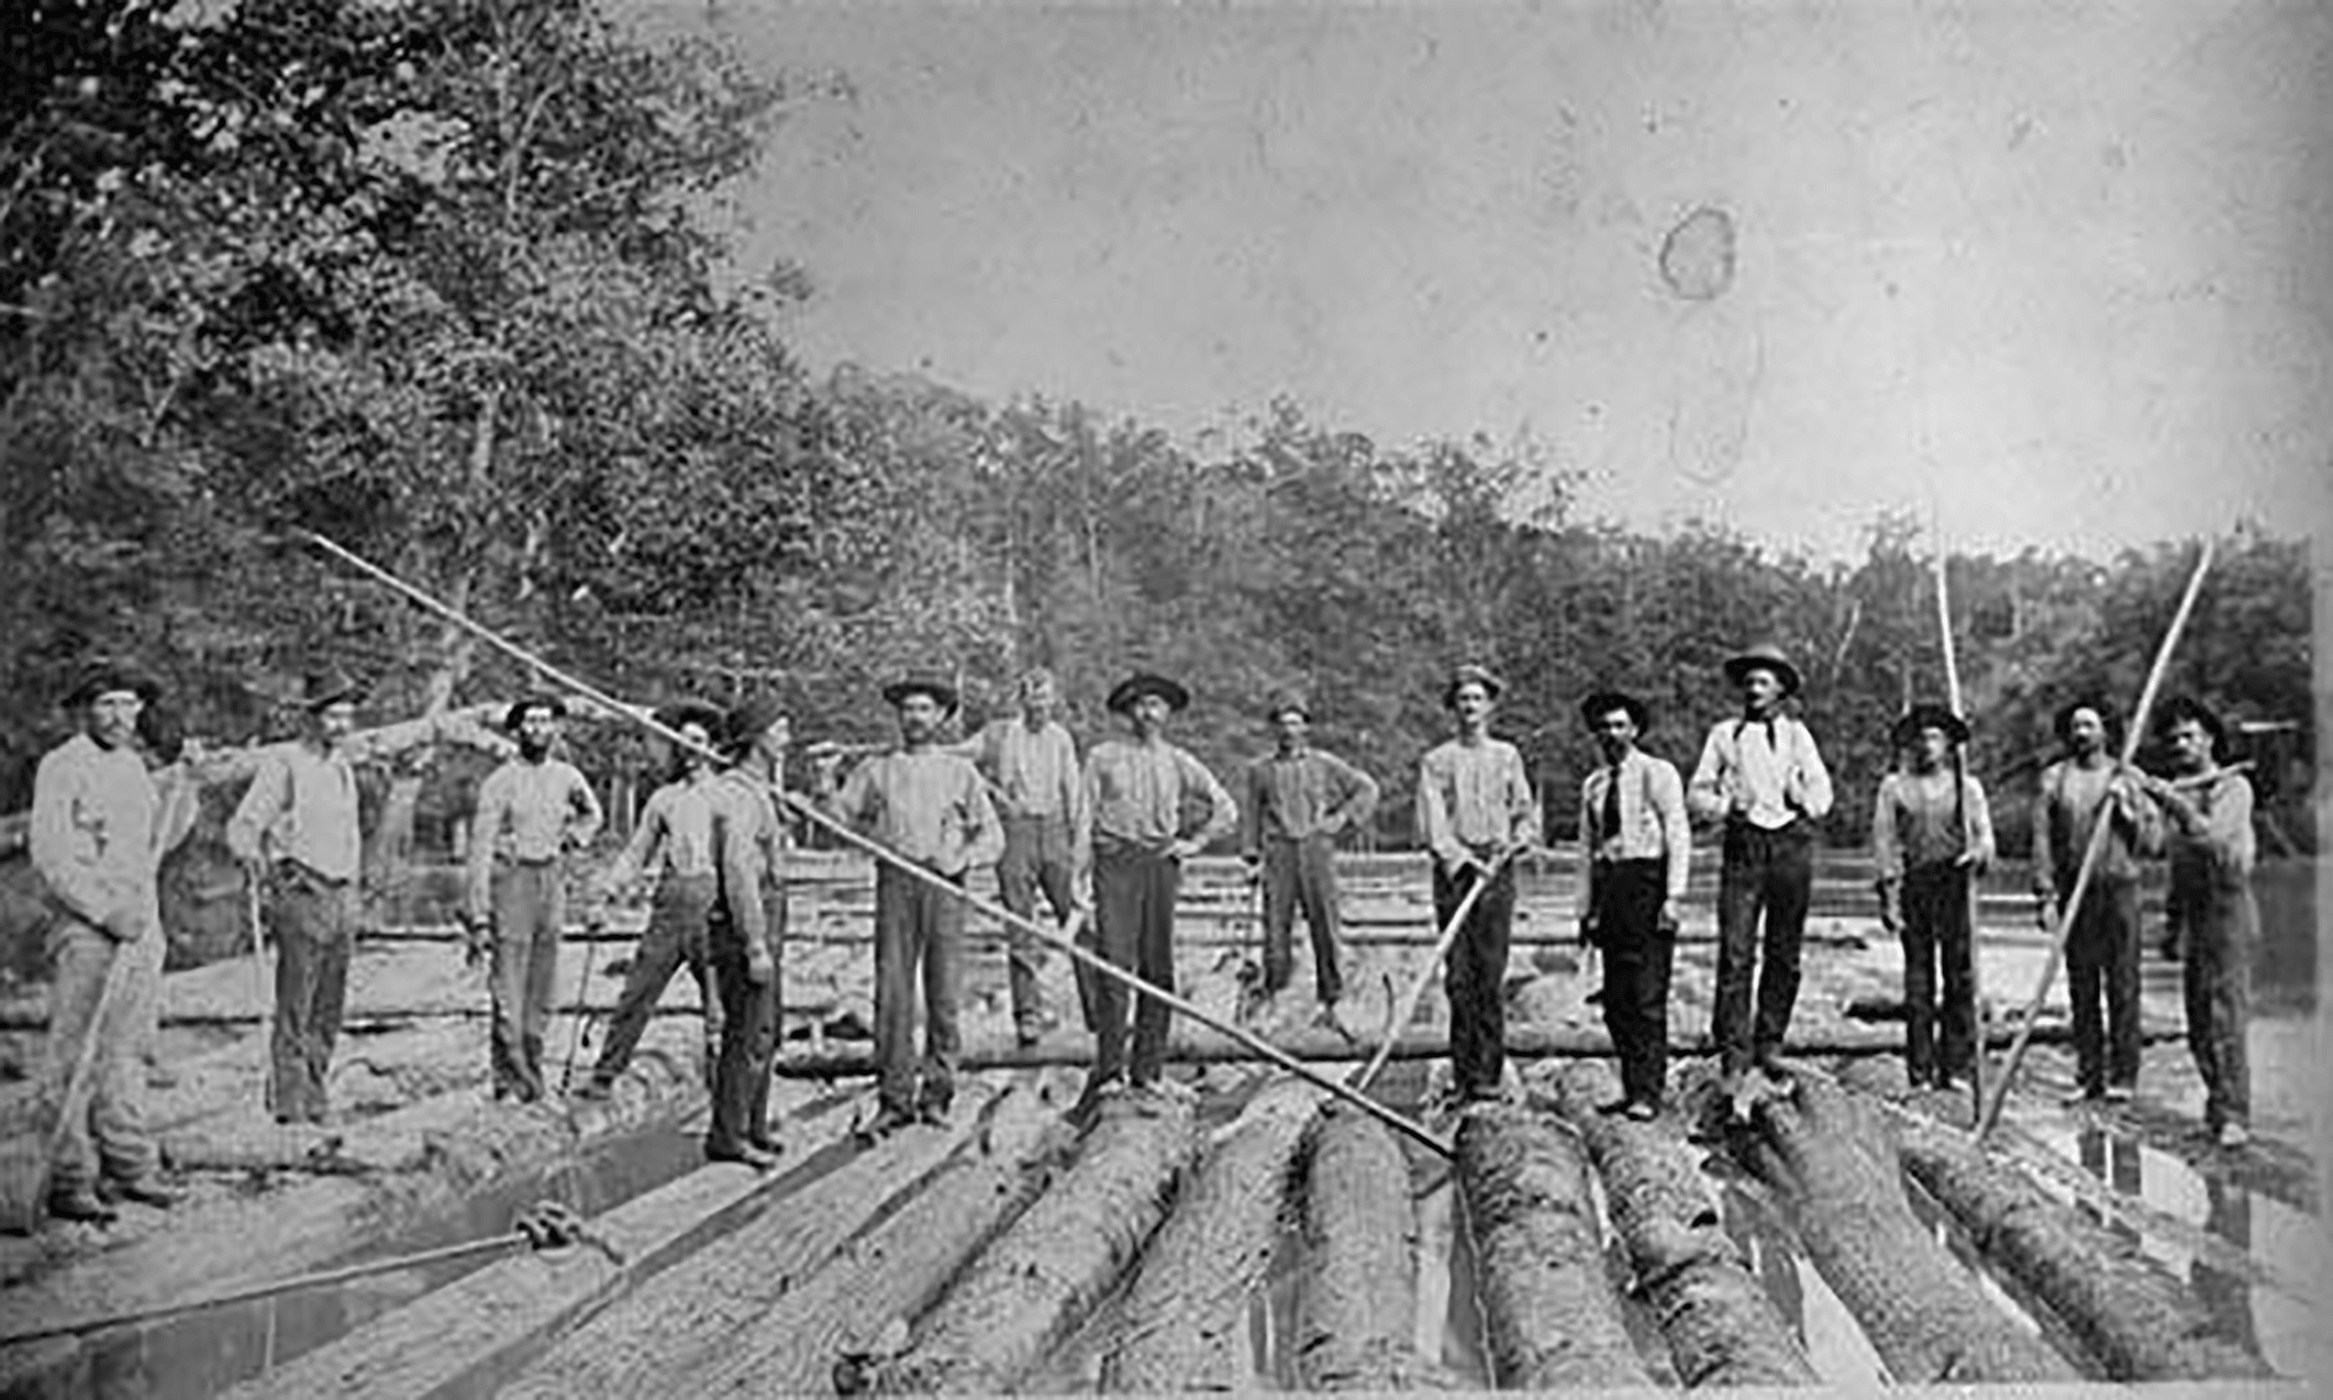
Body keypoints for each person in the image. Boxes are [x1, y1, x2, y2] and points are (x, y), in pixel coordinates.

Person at [27, 661, 185, 1222]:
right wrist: (102, 911)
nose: (122, 716)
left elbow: (158, 841)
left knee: (129, 1049)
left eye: (130, 704)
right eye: (109, 705)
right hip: (88, 929)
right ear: (86, 709)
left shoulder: (132, 766)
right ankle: (69, 1177)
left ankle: (130, 1164)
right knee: (76, 1053)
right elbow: (50, 856)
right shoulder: (62, 766)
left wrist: (182, 785)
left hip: (141, 926)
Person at [818, 675, 1003, 1137]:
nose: (914, 717)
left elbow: (993, 836)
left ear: (940, 717)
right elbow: (840, 822)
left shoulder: (960, 772)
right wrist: (825, 783)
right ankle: (895, 1098)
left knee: (942, 994)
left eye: (924, 709)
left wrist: (961, 857)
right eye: (908, 709)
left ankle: (938, 1093)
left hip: (943, 886)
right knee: (893, 993)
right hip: (896, 883)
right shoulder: (877, 769)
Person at [1072, 671, 1238, 1115]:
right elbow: (1083, 817)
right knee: (1113, 966)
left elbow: (1225, 808)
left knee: (1157, 967)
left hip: (1160, 866)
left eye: (1157, 706)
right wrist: (1078, 877)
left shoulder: (1178, 761)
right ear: (1129, 712)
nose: (1149, 713)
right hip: (1114, 865)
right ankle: (1109, 1072)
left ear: (1167, 715)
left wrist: (1194, 842)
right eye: (1141, 705)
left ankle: (1149, 1071)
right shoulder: (1103, 757)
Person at [1687, 643, 1834, 1119]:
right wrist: (1726, 806)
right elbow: (1697, 792)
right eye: (1749, 680)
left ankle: (1769, 1044)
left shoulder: (1798, 735)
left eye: (1764, 681)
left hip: (1790, 847)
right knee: (1735, 954)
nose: (1754, 688)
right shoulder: (1724, 735)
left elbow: (1822, 793)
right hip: (1744, 848)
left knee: (1784, 954)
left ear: (1781, 691)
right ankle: (1733, 1056)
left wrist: (1799, 794)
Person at [226, 669, 371, 1125]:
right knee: (297, 1001)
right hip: (303, 889)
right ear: (311, 718)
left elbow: (348, 835)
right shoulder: (285, 762)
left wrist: (354, 892)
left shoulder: (341, 765)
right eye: (332, 716)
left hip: (342, 895)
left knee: (330, 1003)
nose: (341, 725)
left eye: (347, 716)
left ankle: (315, 1090)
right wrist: (256, 859)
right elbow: (244, 824)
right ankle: (289, 1103)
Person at [575, 700, 729, 1099]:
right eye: (683, 741)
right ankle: (605, 1075)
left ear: (712, 746)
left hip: (714, 903)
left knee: (717, 1004)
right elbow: (636, 853)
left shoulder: (729, 795)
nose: (690, 748)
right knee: (637, 990)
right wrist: (607, 895)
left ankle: (723, 1097)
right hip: (671, 904)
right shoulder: (664, 798)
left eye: (698, 741)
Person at [465, 695, 603, 1103]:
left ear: (556, 729)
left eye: (546, 722)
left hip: (551, 881)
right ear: (517, 730)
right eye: (530, 723)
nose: (539, 730)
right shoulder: (500, 781)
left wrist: (573, 838)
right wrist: (478, 913)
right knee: (509, 983)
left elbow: (592, 814)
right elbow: (479, 848)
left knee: (542, 985)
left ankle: (534, 1071)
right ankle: (508, 1078)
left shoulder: (567, 776)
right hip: (513, 882)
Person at [1415, 663, 1539, 1106]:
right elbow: (1433, 824)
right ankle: (1464, 1074)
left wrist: (1520, 837)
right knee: (1460, 978)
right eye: (1463, 699)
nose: (1470, 706)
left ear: (1489, 706)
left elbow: (1524, 810)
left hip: (1499, 869)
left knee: (1490, 972)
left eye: (1477, 699)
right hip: (1457, 875)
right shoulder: (1437, 761)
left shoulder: (1507, 756)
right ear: (1454, 708)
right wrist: (1464, 860)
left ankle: (1489, 1073)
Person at [2137, 697, 2256, 1148]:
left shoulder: (2232, 787)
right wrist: (2170, 926)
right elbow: (2172, 861)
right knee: (2199, 1019)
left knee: (2227, 1017)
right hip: (2195, 914)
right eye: (2173, 740)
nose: (2182, 745)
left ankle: (2235, 1115)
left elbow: (2215, 843)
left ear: (2209, 738)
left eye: (2189, 736)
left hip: (2230, 909)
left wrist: (2177, 804)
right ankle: (2215, 1104)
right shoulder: (2181, 787)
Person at [2032, 698, 2161, 1106]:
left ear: (2105, 731)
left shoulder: (2129, 776)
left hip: (2120, 889)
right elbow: (2041, 842)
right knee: (2082, 985)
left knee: (2123, 984)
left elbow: (2153, 843)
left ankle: (2124, 1076)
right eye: (2075, 726)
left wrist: (2126, 807)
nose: (2081, 733)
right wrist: (2045, 895)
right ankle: (2088, 1075)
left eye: (2089, 725)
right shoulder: (2054, 779)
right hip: (2075, 891)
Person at [1575, 690, 1690, 1119]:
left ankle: (1648, 1092)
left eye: (1620, 725)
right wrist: (1584, 910)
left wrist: (1673, 896)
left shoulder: (1658, 774)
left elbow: (1678, 834)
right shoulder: (1595, 784)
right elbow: (1586, 851)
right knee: (1617, 999)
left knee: (1646, 996)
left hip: (1648, 882)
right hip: (1611, 888)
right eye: (1604, 726)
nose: (1612, 733)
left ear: (1635, 730)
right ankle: (1630, 1085)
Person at [1870, 703, 1995, 1090]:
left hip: (1955, 882)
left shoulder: (1966, 787)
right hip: (1915, 885)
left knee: (1959, 976)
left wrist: (1979, 853)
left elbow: (1985, 837)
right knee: (1919, 980)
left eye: (1935, 737)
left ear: (1949, 744)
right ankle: (1920, 1069)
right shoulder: (1894, 787)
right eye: (1920, 738)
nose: (1927, 745)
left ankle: (1956, 1066)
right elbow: (1885, 843)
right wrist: (1889, 896)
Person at [1240, 696, 1378, 1033]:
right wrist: (1252, 856)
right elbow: (1252, 816)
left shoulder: (1324, 763)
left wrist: (1340, 818)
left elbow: (1366, 788)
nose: (1289, 730)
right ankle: (1275, 998)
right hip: (1278, 854)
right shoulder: (1260, 770)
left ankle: (1333, 1001)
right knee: (1275, 930)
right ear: (1274, 729)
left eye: (1295, 722)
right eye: (1283, 723)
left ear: (1306, 727)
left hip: (1316, 849)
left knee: (1325, 926)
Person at [961, 667, 1082, 1045]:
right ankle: (1027, 1014)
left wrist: (1081, 846)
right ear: (1022, 701)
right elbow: (960, 757)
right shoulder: (999, 734)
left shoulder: (1061, 738)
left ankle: (1101, 1010)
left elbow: (1074, 792)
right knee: (1020, 926)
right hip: (1015, 832)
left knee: (1079, 920)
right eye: (1033, 699)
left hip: (1055, 830)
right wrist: (993, 794)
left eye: (1046, 699)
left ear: (1053, 701)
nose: (1040, 707)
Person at [707, 692, 791, 1161]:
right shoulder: (736, 796)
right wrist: (755, 944)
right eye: (780, 729)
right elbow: (739, 873)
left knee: (767, 1029)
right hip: (745, 919)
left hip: (770, 911)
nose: (788, 737)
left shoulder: (758, 789)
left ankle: (754, 1125)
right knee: (747, 1030)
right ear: (758, 739)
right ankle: (728, 1136)